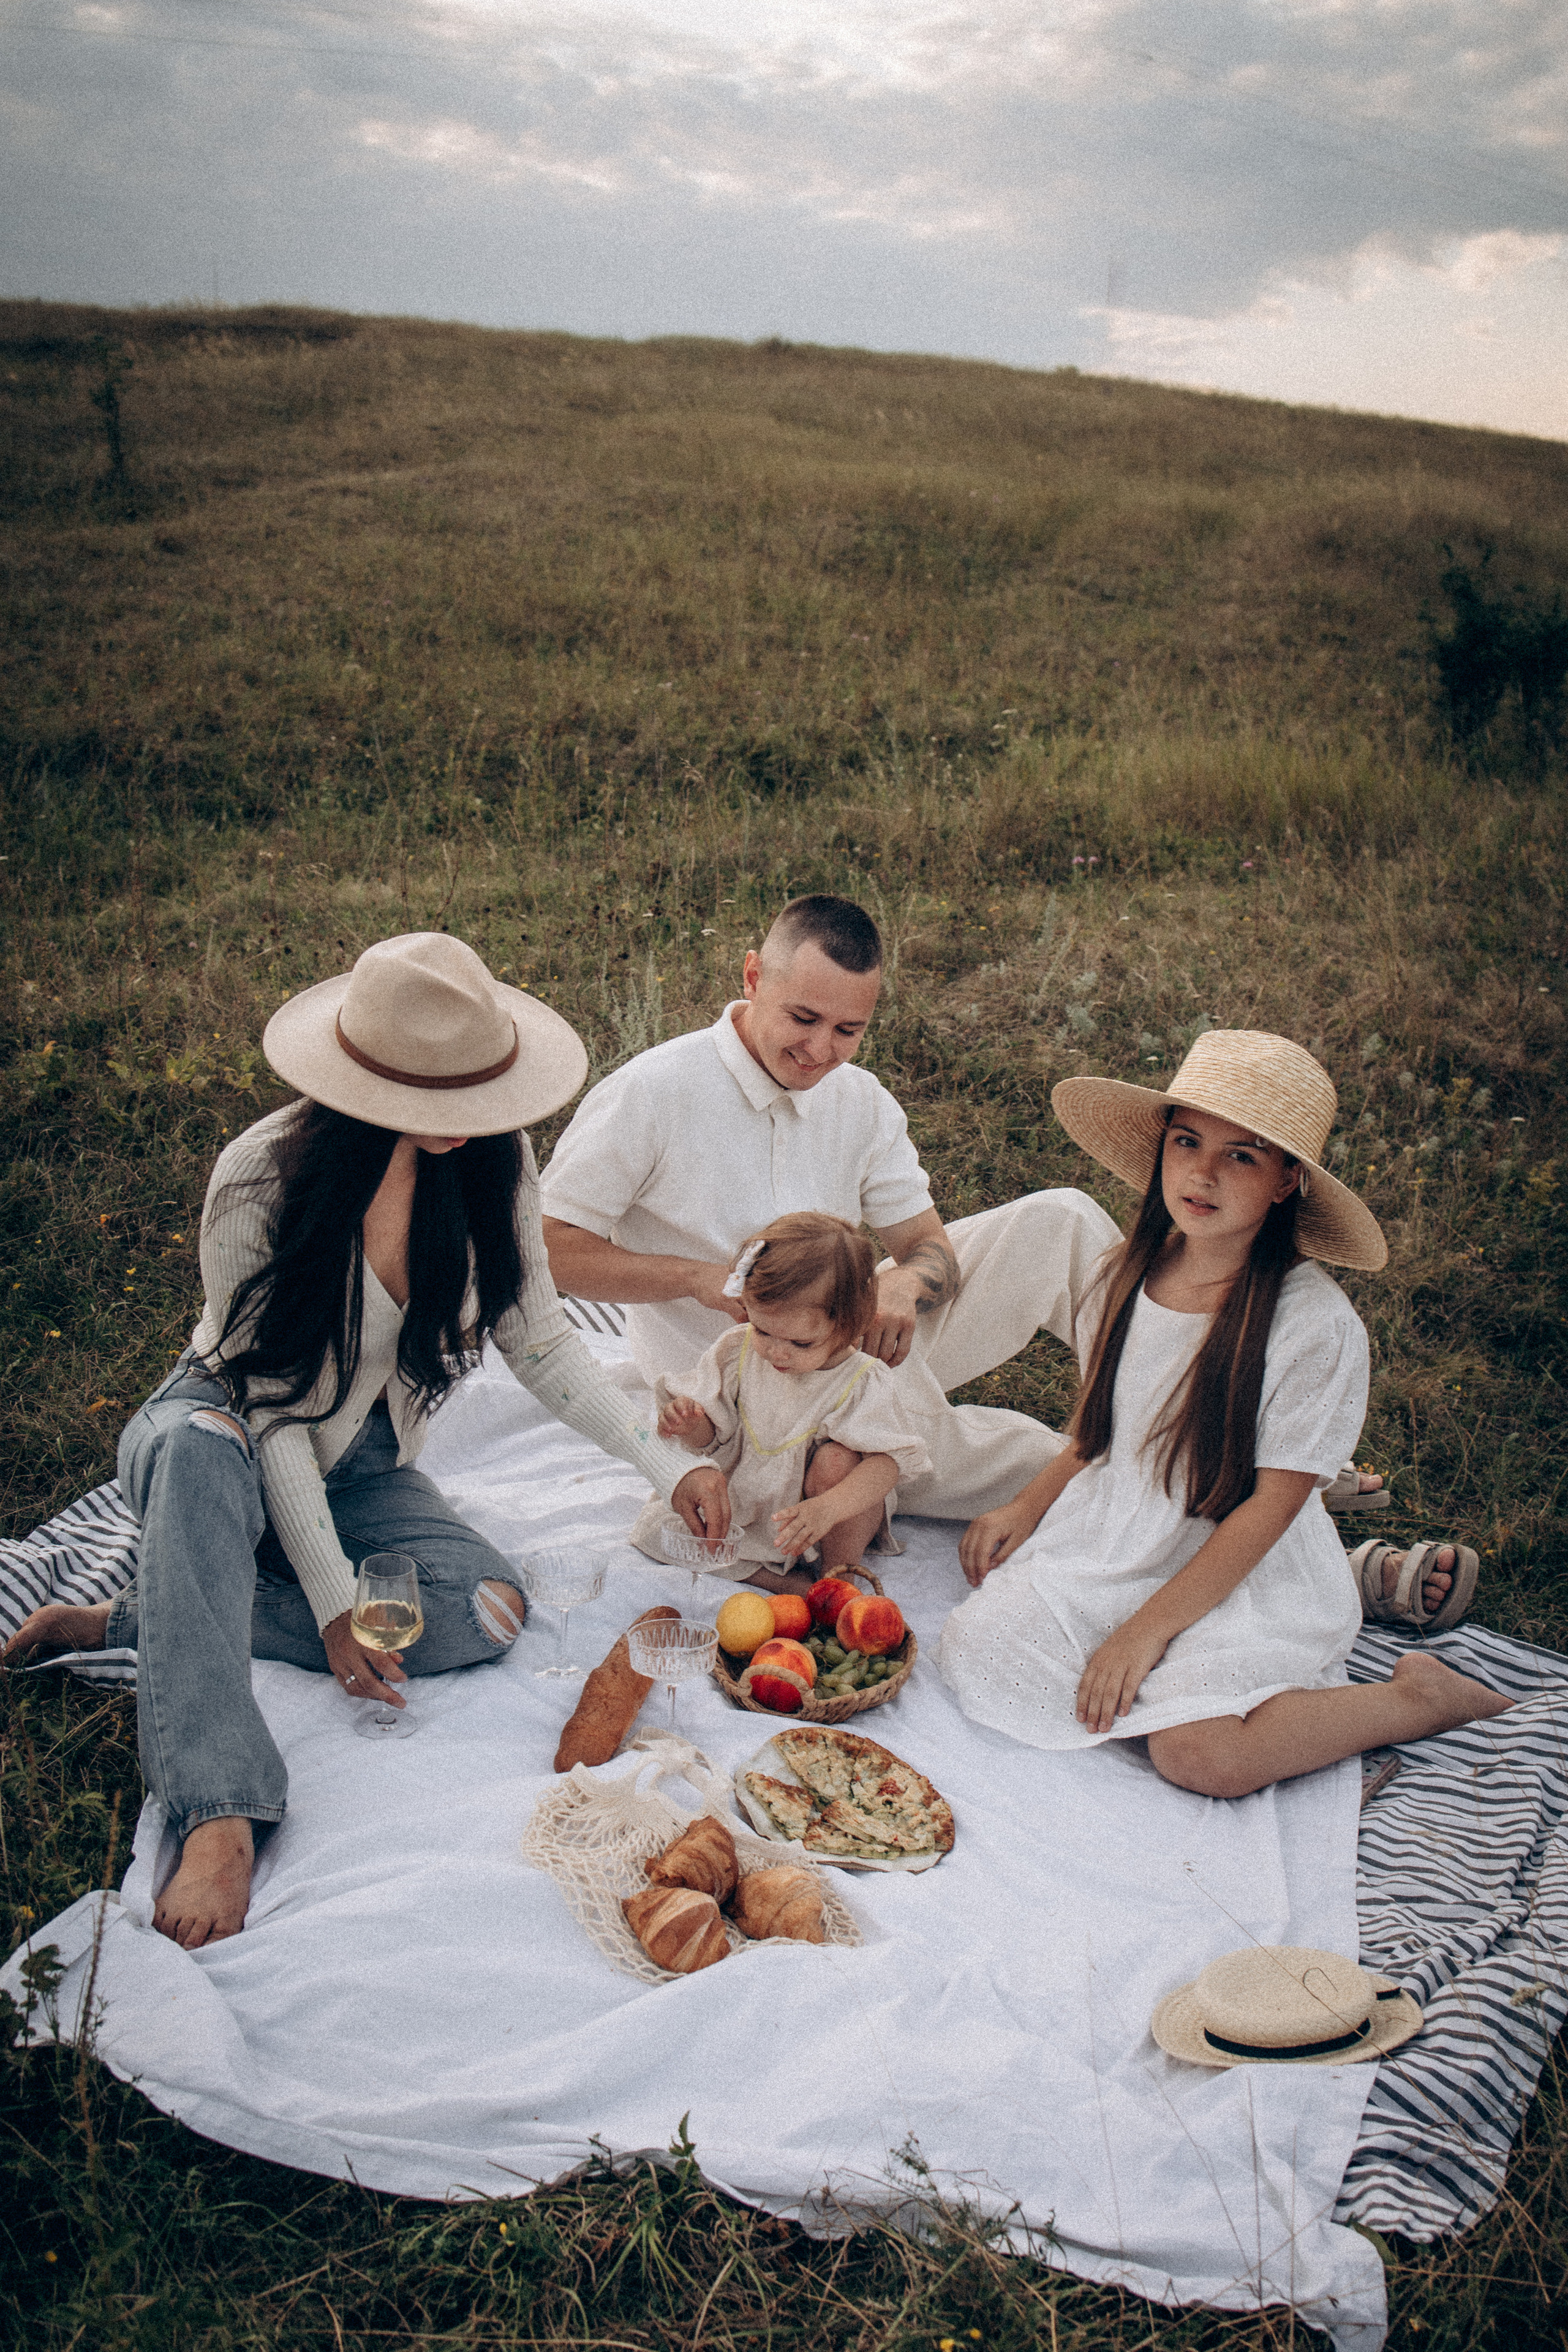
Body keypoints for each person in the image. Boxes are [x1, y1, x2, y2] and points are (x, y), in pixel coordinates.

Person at [3, 934, 724, 1950]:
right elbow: (275, 1413)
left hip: (365, 1461)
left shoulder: (491, 1162)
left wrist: (671, 1462)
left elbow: (546, 1344)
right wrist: (336, 1606)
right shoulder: (262, 1178)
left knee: (487, 1612)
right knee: (206, 1451)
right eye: (438, 1104)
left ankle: (152, 1611)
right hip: (225, 1432)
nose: (464, 1126)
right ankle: (218, 1808)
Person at [938, 1031, 1510, 1792]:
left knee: (1199, 1755)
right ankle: (1163, 1672)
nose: (1201, 1173)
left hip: (1245, 1565)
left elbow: (1272, 1508)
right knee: (980, 1648)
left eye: (1240, 1155)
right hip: (1121, 1531)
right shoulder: (1125, 1273)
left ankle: (1412, 1700)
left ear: (1285, 1182)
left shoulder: (1313, 1327)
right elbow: (1098, 1428)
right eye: (1186, 1142)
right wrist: (1027, 1504)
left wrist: (1142, 1635)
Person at [541, 894, 1122, 1525]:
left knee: (1064, 1220)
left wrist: (906, 1279)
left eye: (848, 1031)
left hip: (849, 1334)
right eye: (804, 1018)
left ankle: (1171, 1412)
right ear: (754, 977)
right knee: (1059, 1471)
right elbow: (544, 1249)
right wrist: (696, 1280)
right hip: (748, 1390)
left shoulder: (860, 1100)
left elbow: (930, 1249)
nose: (820, 1050)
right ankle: (1123, 1473)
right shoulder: (652, 1092)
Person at [634, 1211, 933, 1581]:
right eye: (763, 1331)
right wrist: (693, 1423)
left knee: (837, 1461)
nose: (777, 1353)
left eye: (800, 1342)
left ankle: (836, 1577)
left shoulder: (860, 1379)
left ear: (849, 1326)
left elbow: (886, 1465)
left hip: (824, 1511)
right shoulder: (737, 1349)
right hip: (747, 1496)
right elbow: (715, 1440)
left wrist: (829, 1507)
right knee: (665, 1532)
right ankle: (780, 1582)